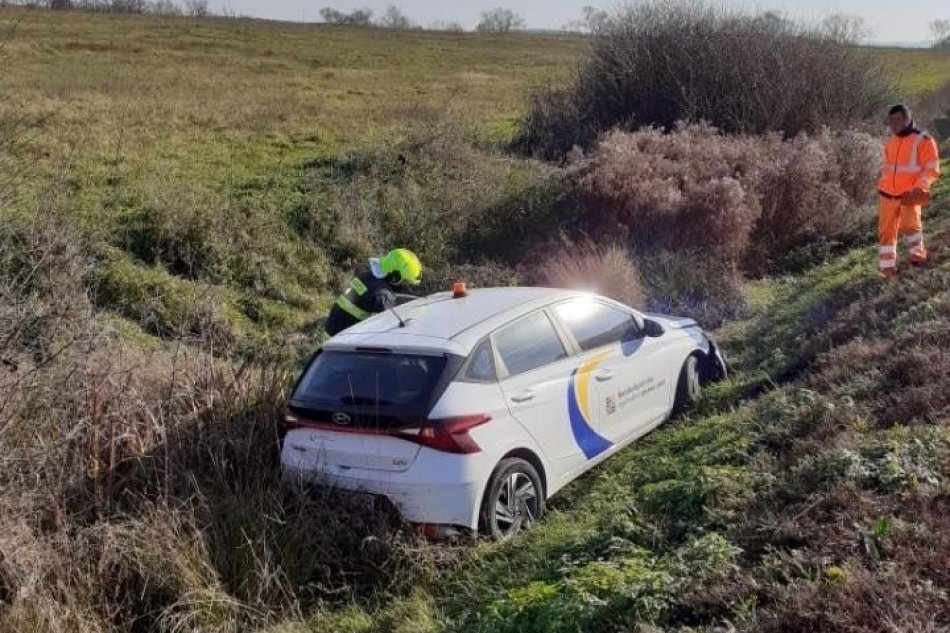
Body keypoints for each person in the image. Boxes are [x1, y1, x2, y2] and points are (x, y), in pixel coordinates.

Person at [877, 104, 941, 279]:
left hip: (910, 194)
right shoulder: (891, 141)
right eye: (891, 123)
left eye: (897, 123)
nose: (893, 127)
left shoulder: (924, 140)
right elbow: (887, 168)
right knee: (886, 234)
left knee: (910, 227)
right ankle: (887, 271)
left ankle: (917, 259)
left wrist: (919, 188)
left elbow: (932, 170)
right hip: (887, 195)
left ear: (907, 119)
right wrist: (882, 184)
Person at [323, 248, 423, 338]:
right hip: (344, 342)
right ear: (395, 276)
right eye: (405, 281)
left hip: (332, 332)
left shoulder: (368, 276)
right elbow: (392, 328)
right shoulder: (383, 295)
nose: (405, 286)